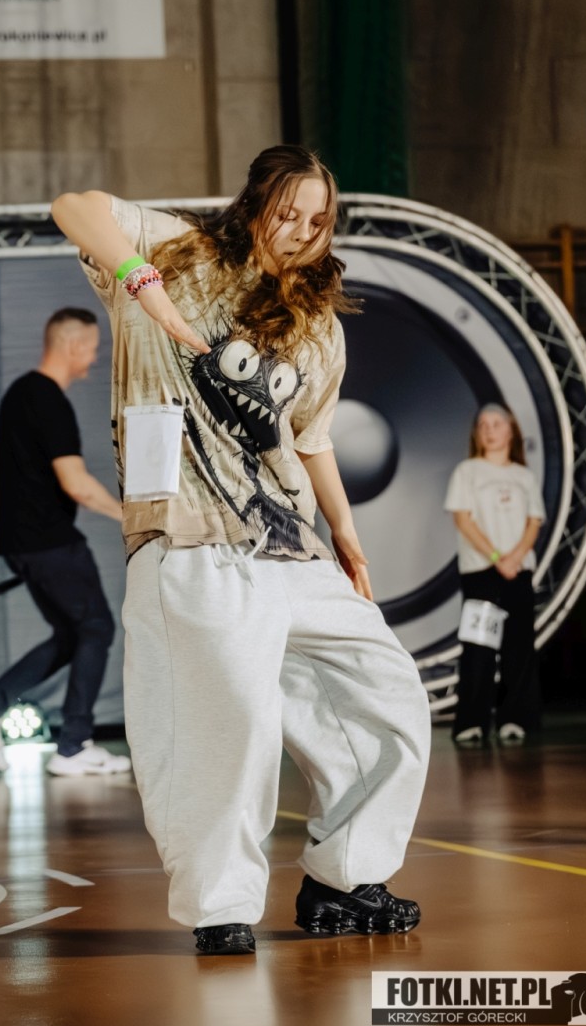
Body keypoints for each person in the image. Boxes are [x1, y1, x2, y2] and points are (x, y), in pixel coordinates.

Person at [50, 146, 431, 956]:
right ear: (256, 202)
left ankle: (344, 878)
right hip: (190, 537)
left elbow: (313, 439)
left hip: (291, 544)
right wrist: (142, 284)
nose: (301, 231)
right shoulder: (176, 250)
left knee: (386, 696)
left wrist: (347, 536)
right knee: (230, 728)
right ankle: (220, 905)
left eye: (318, 220)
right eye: (288, 212)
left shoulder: (316, 324)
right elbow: (74, 206)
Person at [0, 308, 131, 778]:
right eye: (93, 347)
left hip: (25, 542)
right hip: (47, 539)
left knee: (76, 634)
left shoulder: (21, 394)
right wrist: (132, 517)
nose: (95, 357)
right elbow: (77, 484)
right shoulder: (48, 399)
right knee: (96, 627)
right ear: (73, 345)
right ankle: (72, 745)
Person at [445, 403, 546, 746]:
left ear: (511, 430)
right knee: (479, 647)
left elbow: (534, 521)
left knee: (519, 646)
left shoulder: (523, 476)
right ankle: (471, 722)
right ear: (477, 433)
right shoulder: (467, 471)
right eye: (483, 425)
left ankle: (515, 718)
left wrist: (514, 558)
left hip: (518, 570)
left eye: (497, 424)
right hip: (481, 571)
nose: (489, 430)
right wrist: (494, 556)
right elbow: (463, 519)